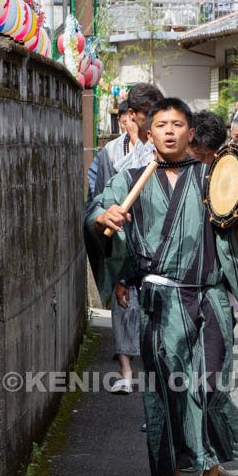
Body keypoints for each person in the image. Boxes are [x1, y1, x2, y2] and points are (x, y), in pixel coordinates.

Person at [85, 97, 238, 476]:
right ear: (148, 134)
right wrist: (104, 218)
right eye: (162, 124)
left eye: (178, 124)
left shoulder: (214, 179)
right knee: (165, 394)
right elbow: (96, 213)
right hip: (159, 304)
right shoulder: (129, 177)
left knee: (210, 388)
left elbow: (235, 242)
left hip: (208, 299)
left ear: (191, 133)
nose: (170, 130)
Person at [88, 84, 163, 397]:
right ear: (131, 116)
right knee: (123, 307)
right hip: (123, 236)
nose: (152, 123)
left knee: (154, 320)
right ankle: (126, 371)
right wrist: (105, 214)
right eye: (147, 116)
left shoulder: (161, 147)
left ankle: (154, 384)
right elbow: (99, 193)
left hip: (155, 241)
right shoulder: (109, 153)